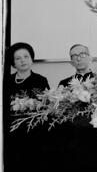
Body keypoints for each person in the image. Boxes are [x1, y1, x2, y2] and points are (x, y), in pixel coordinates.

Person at [6, 42, 50, 172]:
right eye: (18, 58)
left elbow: (45, 107)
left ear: (31, 59)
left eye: (26, 56)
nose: (22, 60)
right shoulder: (6, 81)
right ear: (13, 63)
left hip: (34, 132)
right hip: (10, 132)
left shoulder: (41, 80)